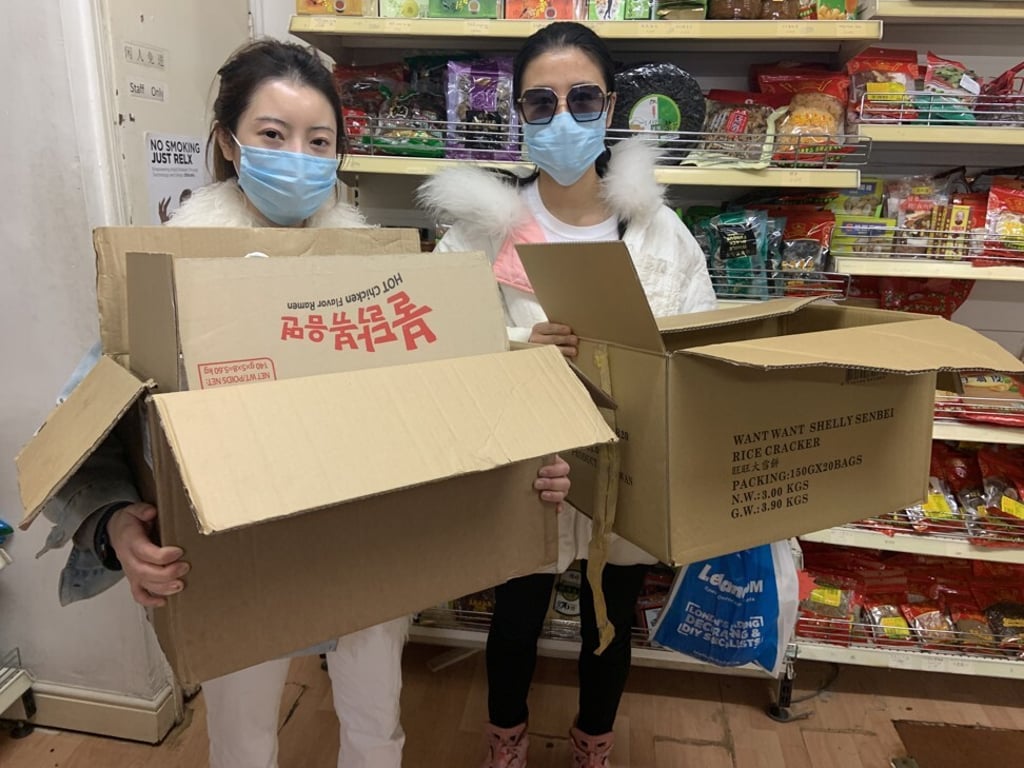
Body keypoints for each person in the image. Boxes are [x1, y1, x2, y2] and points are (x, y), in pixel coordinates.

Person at [38, 39, 573, 768]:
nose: (299, 156)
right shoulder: (167, 274)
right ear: (229, 143)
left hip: (366, 535)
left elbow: (447, 401)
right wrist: (115, 529)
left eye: (319, 140)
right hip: (233, 548)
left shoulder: (381, 276)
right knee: (243, 735)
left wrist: (522, 468)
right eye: (272, 135)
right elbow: (90, 426)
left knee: (374, 719)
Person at [417, 22, 716, 768]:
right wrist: (523, 352)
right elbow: (442, 359)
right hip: (524, 466)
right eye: (541, 102)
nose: (562, 118)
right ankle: (506, 744)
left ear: (610, 106)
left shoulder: (660, 234)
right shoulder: (480, 237)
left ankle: (593, 746)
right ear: (519, 113)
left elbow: (700, 351)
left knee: (612, 619)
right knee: (514, 615)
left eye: (582, 98)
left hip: (626, 465)